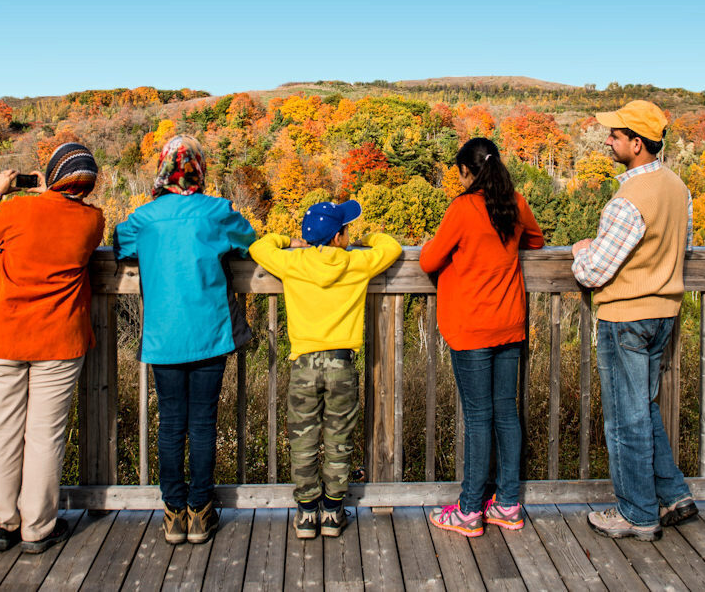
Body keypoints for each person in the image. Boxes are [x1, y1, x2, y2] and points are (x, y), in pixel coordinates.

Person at [114, 135, 257, 545]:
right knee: (202, 423)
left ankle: (173, 514)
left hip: (163, 338)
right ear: (199, 168)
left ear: (163, 169)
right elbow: (249, 243)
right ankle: (200, 512)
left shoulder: (143, 219)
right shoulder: (217, 212)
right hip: (211, 334)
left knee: (172, 425)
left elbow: (119, 244)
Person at [0, 143, 104, 554]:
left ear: (51, 174)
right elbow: (64, 216)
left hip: (3, 336)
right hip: (59, 340)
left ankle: (0, 523)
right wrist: (53, 191)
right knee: (45, 437)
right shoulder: (91, 220)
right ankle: (38, 527)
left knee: (2, 432)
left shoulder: (15, 210)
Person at [570, 100, 696, 542]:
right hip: (664, 313)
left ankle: (637, 515)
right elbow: (684, 246)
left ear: (637, 143)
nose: (607, 141)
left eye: (615, 135)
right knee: (642, 409)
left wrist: (579, 250)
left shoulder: (628, 201)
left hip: (626, 317)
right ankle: (674, 495)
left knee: (625, 419)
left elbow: (593, 272)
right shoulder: (678, 188)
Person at [248, 201, 402, 540]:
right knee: (338, 438)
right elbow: (391, 247)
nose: (350, 233)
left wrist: (291, 242)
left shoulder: (292, 263)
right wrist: (369, 238)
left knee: (303, 440)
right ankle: (332, 511)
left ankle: (306, 513)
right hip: (341, 364)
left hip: (303, 363)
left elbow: (259, 246)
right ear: (338, 238)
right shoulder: (356, 262)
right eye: (347, 230)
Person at [419, 138, 544, 537]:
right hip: (509, 322)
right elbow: (537, 240)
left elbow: (429, 259)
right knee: (505, 412)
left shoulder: (463, 207)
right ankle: (507, 504)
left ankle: (470, 509)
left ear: (466, 172)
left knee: (478, 418)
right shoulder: (514, 202)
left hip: (471, 325)